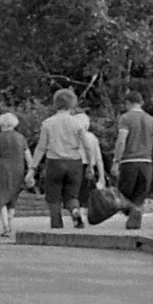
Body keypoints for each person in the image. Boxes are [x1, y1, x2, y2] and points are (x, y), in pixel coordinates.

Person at [27, 88, 92, 229]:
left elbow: (41, 147)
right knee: (72, 196)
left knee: (53, 196)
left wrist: (32, 169)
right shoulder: (77, 123)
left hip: (54, 162)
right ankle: (75, 211)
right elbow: (87, 146)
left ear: (55, 103)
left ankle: (56, 225)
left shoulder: (48, 123)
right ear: (72, 104)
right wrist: (90, 165)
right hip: (74, 162)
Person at [112, 90, 153, 231]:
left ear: (128, 103)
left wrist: (116, 161)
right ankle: (134, 220)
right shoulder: (151, 120)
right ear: (141, 103)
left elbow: (121, 141)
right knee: (139, 196)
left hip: (129, 162)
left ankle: (133, 212)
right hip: (146, 163)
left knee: (122, 195)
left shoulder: (125, 118)